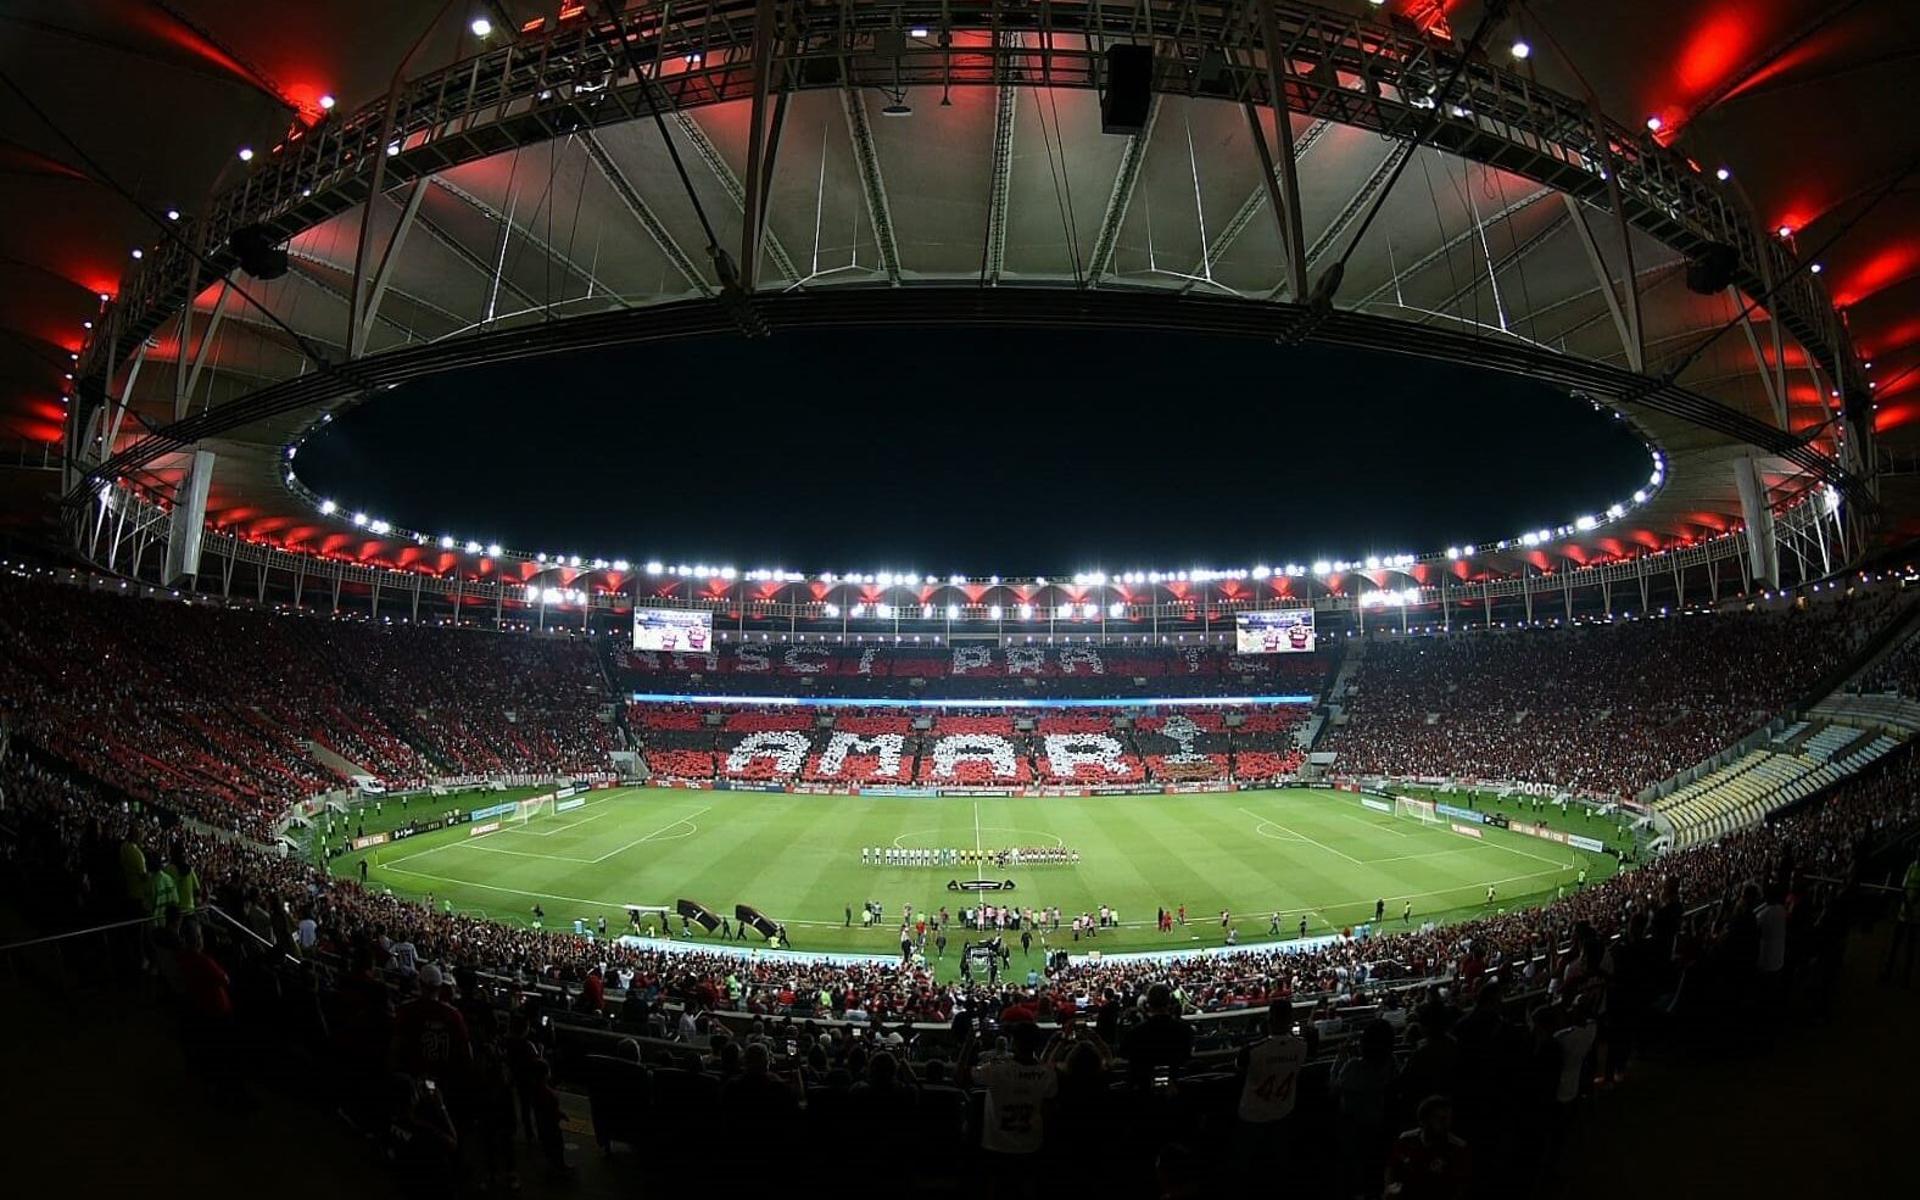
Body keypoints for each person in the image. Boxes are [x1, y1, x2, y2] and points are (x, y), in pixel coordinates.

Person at [959, 1022, 1057, 1194]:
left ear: (1013, 1043)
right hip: (1031, 1144)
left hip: (996, 1145)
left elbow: (959, 1077)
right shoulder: (1047, 1074)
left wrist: (968, 1044)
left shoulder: (997, 1070)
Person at [1236, 1003, 1309, 1175]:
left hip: (1253, 1115)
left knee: (1251, 1166)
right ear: (1290, 1020)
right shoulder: (1302, 1047)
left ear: (1269, 1021)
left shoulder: (1251, 1051)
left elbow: (1239, 1069)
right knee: (1278, 1165)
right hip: (1283, 1112)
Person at [1384, 1095, 1471, 1199]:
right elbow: (1392, 1166)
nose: (1446, 1123)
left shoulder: (1457, 1147)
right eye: (1440, 1118)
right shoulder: (1406, 1140)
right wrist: (1389, 1188)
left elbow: (1460, 1185)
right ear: (1424, 1120)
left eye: (1448, 1118)